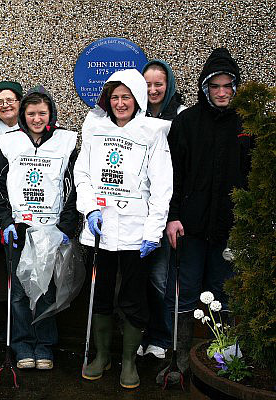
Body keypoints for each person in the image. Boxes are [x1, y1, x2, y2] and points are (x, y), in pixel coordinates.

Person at [74, 69, 173, 389]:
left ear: (137, 99)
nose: (120, 103)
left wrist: (153, 231)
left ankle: (128, 361)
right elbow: (83, 175)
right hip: (101, 229)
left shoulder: (153, 132)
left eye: (126, 97)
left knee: (132, 297)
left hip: (135, 230)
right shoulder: (94, 128)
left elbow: (162, 186)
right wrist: (89, 209)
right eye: (115, 97)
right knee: (100, 294)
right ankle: (102, 355)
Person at [160, 48, 251, 382]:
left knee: (222, 292)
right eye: (216, 86)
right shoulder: (186, 123)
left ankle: (223, 363)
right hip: (190, 227)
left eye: (229, 86)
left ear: (236, 88)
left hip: (230, 228)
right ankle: (178, 362)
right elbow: (173, 174)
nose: (223, 92)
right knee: (183, 292)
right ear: (205, 87)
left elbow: (254, 175)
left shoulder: (247, 124)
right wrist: (173, 216)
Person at [0, 86, 79, 370]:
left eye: (42, 113)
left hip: (51, 229)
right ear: (23, 115)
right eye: (31, 113)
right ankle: (22, 344)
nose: (37, 118)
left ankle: (45, 345)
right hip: (20, 227)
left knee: (47, 290)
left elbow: (74, 187)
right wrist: (5, 221)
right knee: (18, 291)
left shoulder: (65, 143)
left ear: (50, 113)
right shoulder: (10, 143)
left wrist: (66, 225)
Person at [137, 60, 187, 360]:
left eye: (159, 84)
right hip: (136, 211)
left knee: (160, 278)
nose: (153, 90)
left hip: (165, 210)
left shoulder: (180, 117)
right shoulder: (135, 115)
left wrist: (174, 213)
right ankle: (140, 334)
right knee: (138, 279)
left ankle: (162, 336)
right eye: (148, 85)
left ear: (168, 86)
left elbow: (181, 168)